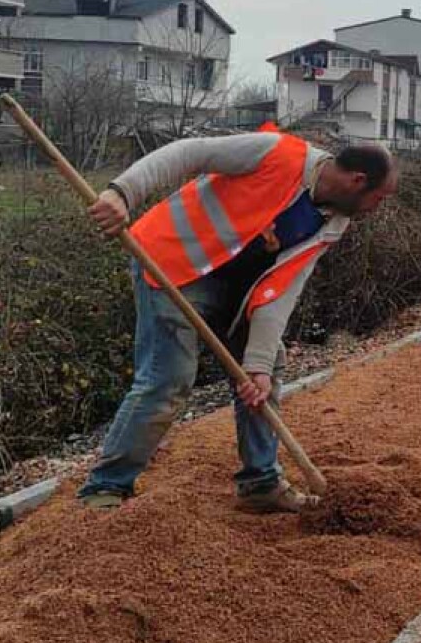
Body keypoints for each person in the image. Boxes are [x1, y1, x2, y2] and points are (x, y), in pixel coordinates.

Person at [79, 126, 398, 512]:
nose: (375, 209)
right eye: (377, 199)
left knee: (265, 370)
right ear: (357, 181)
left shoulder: (334, 222)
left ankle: (261, 483)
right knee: (168, 379)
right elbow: (189, 152)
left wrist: (258, 366)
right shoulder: (277, 153)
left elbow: (282, 290)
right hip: (174, 263)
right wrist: (122, 192)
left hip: (236, 289)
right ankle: (106, 487)